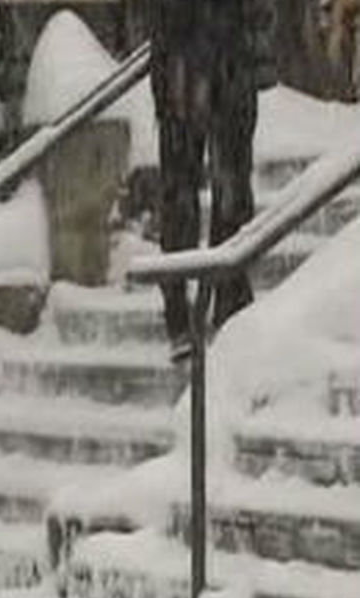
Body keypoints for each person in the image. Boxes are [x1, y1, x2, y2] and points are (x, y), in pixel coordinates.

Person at [149, 0, 259, 363]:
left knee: (228, 189)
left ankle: (221, 301)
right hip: (191, 53)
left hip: (221, 54)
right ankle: (186, 310)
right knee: (189, 191)